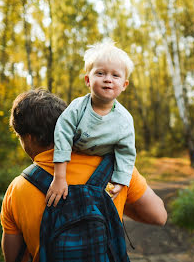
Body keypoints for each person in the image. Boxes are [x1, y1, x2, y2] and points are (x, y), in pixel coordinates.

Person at [1, 88, 167, 262]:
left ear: (29, 138)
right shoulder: (116, 168)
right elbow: (159, 216)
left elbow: (13, 258)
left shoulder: (17, 189)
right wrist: (114, 202)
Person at [47, 40, 136, 206]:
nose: (108, 79)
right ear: (88, 80)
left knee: (102, 201)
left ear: (124, 85)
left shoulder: (124, 120)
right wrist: (59, 177)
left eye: (115, 75)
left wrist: (121, 181)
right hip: (73, 157)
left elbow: (126, 151)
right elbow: (62, 134)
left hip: (103, 163)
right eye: (100, 73)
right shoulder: (77, 108)